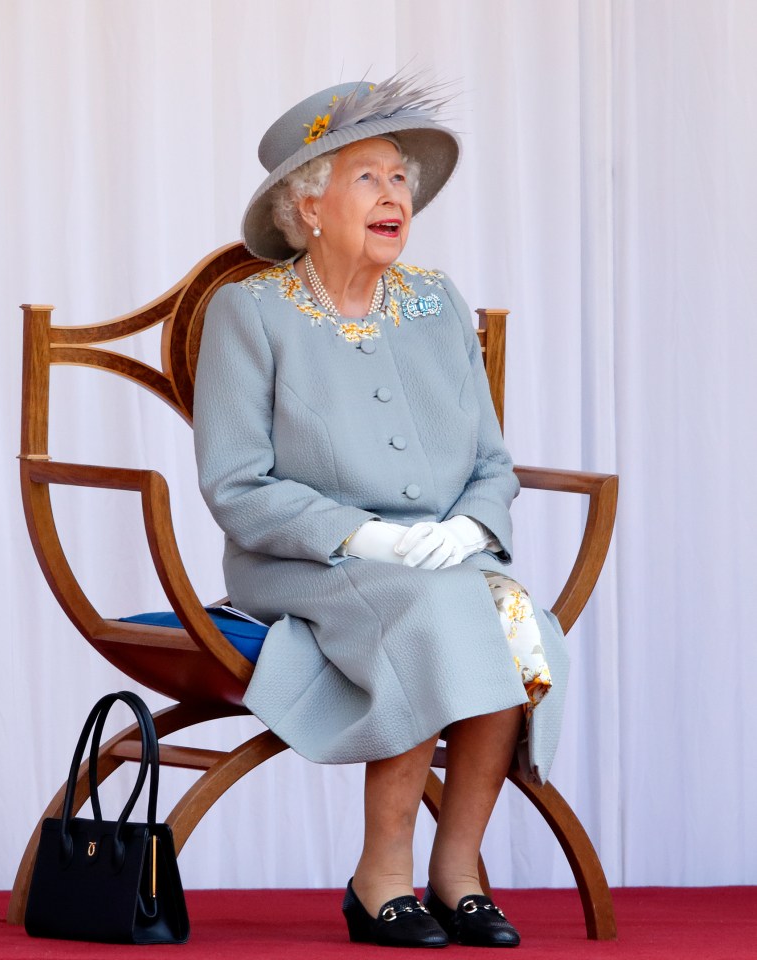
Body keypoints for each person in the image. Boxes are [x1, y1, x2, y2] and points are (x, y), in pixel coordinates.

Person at [193, 71, 568, 949]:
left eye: (400, 177)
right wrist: (361, 535)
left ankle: (458, 872)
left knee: (516, 616)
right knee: (439, 618)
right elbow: (236, 483)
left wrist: (467, 530)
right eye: (368, 176)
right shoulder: (247, 313)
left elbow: (489, 460)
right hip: (305, 562)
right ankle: (380, 879)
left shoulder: (437, 303)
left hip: (443, 557)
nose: (395, 194)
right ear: (309, 206)